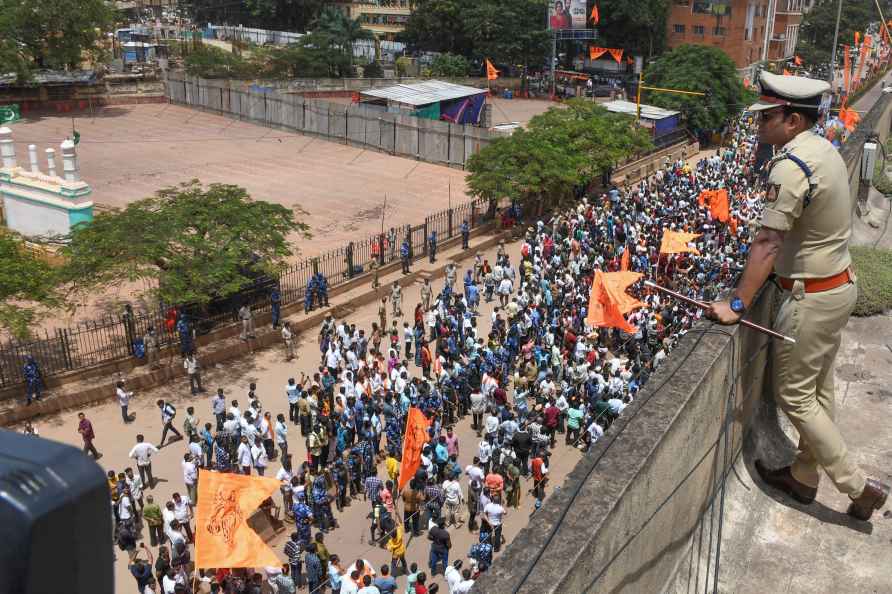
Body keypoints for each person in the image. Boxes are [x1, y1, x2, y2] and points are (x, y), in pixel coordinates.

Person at [708, 71, 889, 521]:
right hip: (835, 286)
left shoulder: (791, 166)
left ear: (791, 120)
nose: (759, 125)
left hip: (811, 296)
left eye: (767, 117)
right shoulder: (822, 148)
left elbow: (768, 242)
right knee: (819, 391)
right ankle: (804, 477)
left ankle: (856, 485)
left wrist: (736, 304)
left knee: (795, 395)